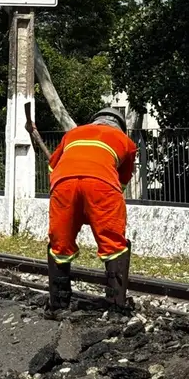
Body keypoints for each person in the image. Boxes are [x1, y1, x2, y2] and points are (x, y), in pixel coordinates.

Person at [46, 107, 138, 312]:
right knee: (113, 243)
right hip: (102, 185)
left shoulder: (73, 133)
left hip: (64, 184)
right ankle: (116, 306)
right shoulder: (127, 143)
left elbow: (52, 167)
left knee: (60, 242)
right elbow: (122, 181)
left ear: (94, 121)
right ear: (121, 126)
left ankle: (58, 304)